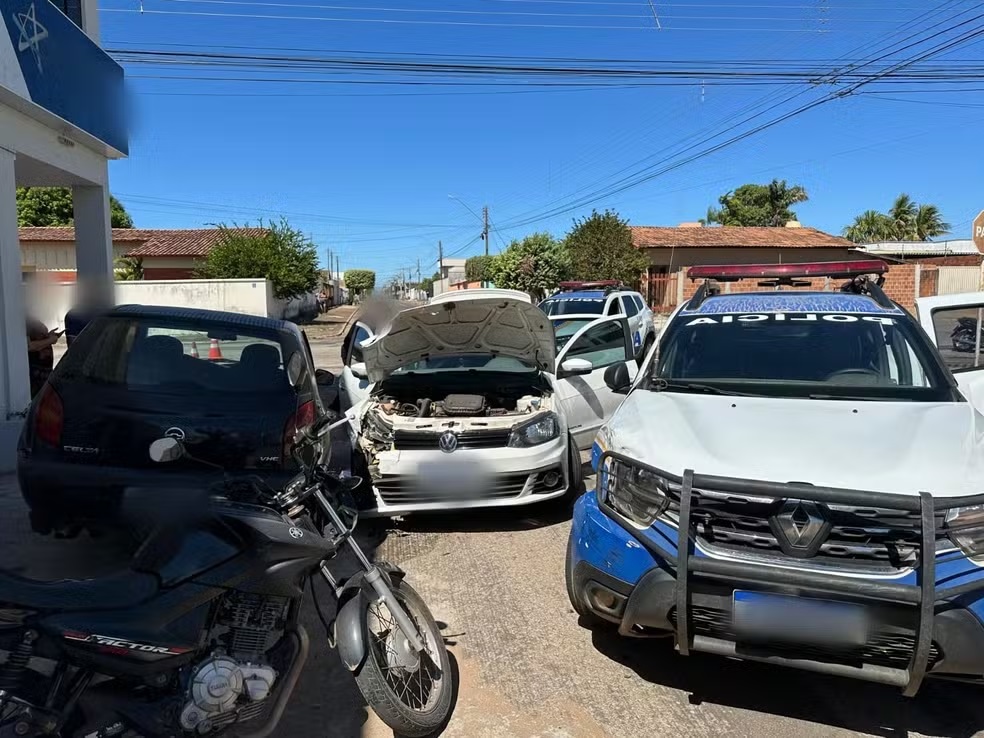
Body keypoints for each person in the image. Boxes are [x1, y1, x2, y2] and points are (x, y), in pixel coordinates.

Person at [26, 317, 60, 398]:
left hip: (45, 376)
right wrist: (50, 340)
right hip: (36, 379)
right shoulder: (21, 324)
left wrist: (49, 336)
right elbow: (29, 346)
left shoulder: (33, 320)